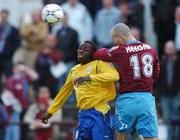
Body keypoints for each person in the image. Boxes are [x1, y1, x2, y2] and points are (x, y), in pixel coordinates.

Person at [93, 23, 160, 140]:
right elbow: (156, 70)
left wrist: (111, 49)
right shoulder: (150, 49)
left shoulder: (121, 51)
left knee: (120, 134)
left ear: (120, 38)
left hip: (127, 99)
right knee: (151, 136)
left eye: (114, 40)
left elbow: (98, 54)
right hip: (147, 99)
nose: (114, 43)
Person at [41, 41, 119, 140]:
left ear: (93, 54)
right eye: (79, 49)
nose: (80, 51)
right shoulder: (74, 70)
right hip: (83, 115)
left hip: (99, 113)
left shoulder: (99, 64)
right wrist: (50, 112)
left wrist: (89, 77)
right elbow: (64, 92)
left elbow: (114, 76)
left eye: (85, 50)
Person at [157, 40, 180, 140]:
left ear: (175, 49)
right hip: (165, 95)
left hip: (177, 94)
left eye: (171, 47)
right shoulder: (162, 63)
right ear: (165, 49)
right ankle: (170, 138)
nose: (170, 50)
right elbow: (158, 80)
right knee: (168, 119)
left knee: (178, 118)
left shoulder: (179, 62)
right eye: (168, 48)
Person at [0, 9, 21, 92]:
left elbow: (17, 43)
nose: (4, 17)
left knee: (8, 78)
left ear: (8, 16)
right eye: (2, 16)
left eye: (5, 16)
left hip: (7, 58)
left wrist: (10, 51)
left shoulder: (13, 29)